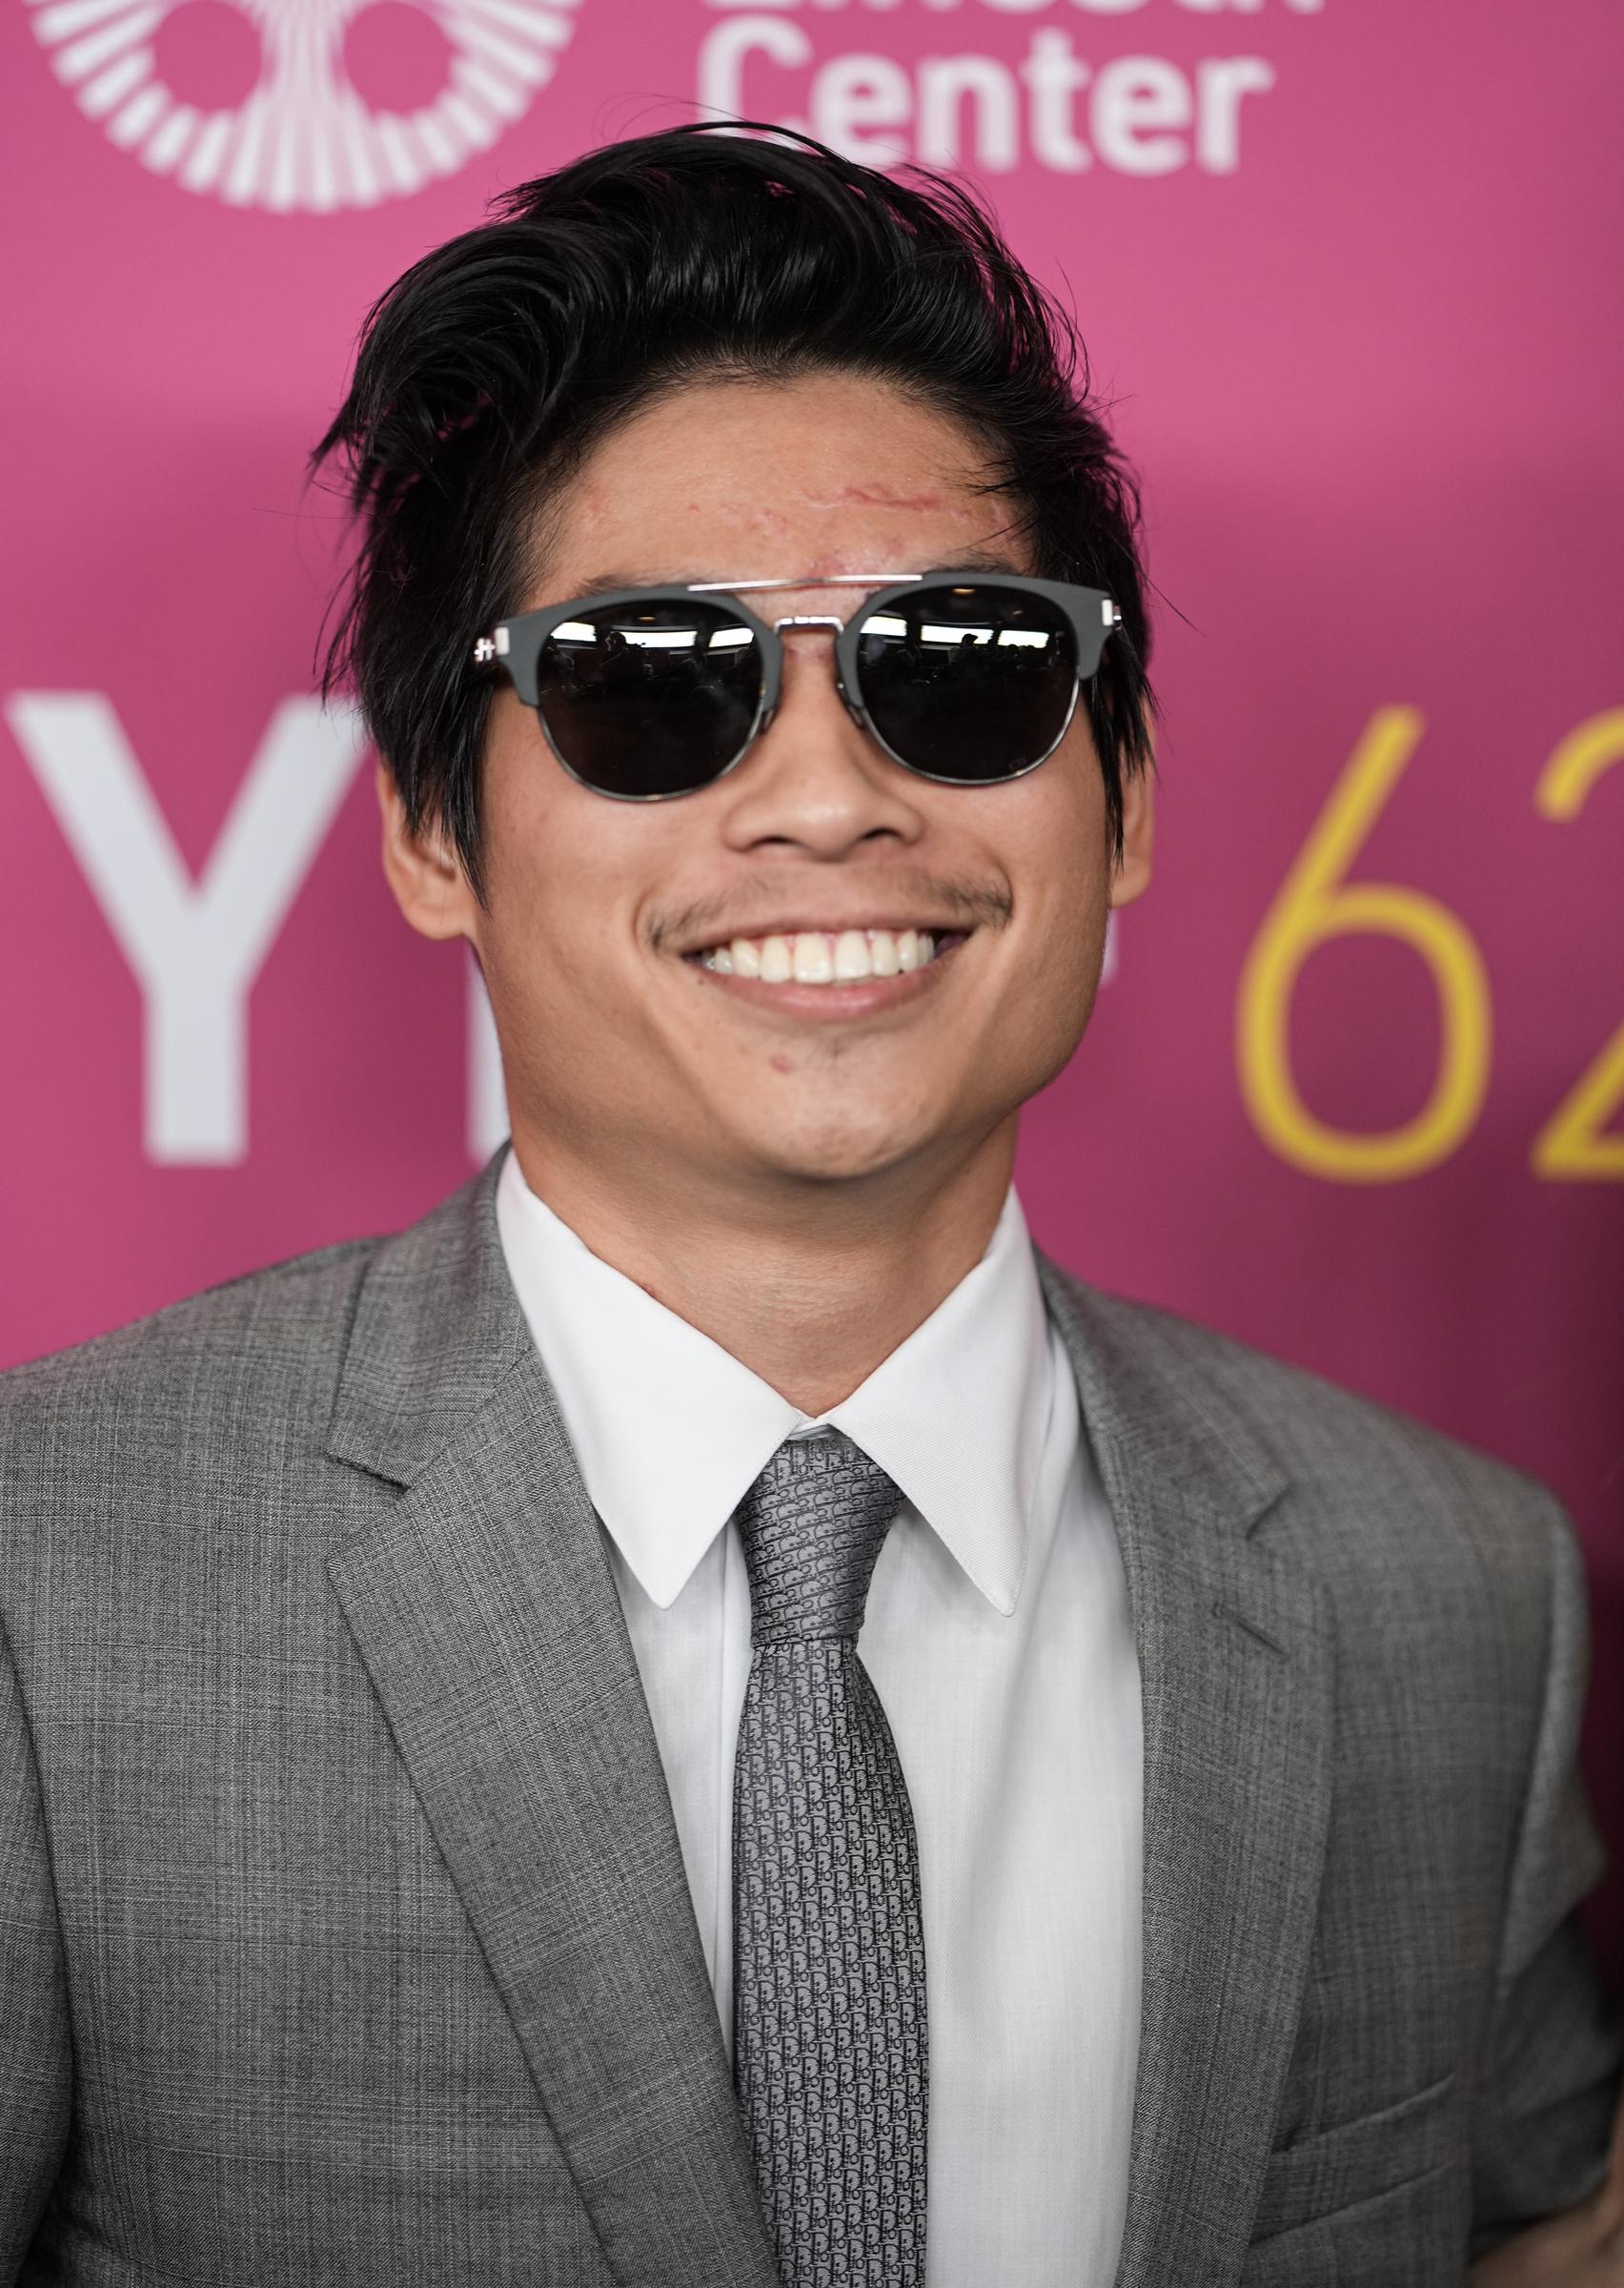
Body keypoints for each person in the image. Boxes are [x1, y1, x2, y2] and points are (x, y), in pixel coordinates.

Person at [0, 123, 1617, 2288]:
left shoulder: (1445, 1597)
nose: (834, 797)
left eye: (956, 667)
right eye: (656, 688)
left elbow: (1537, 2232)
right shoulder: (51, 1575)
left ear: (1117, 797)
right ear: (426, 830)